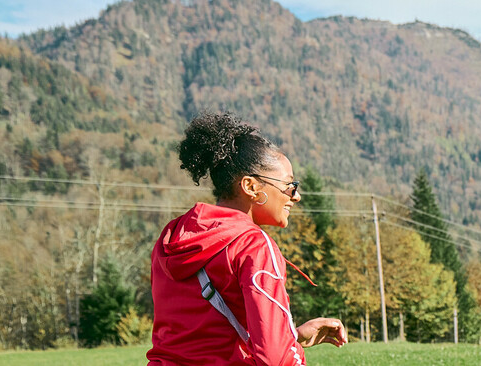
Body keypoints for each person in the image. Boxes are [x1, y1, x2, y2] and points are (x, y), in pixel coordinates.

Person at [147, 113, 347, 366]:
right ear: (251, 187)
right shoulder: (255, 246)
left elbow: (198, 336)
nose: (296, 196)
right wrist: (285, 348)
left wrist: (291, 337)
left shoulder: (171, 236)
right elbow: (275, 359)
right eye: (289, 185)